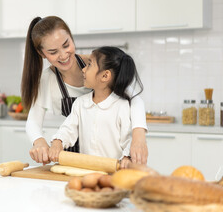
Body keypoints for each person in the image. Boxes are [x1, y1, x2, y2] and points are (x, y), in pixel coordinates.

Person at [21, 16, 148, 165]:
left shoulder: (96, 64)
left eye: (66, 45)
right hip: (74, 159)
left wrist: (138, 137)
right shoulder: (48, 80)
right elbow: (34, 122)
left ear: (71, 38)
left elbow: (134, 98)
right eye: (53, 52)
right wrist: (40, 142)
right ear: (42, 54)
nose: (63, 55)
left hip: (112, 161)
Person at [49, 46, 142, 168]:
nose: (83, 69)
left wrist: (126, 157)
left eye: (89, 65)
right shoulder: (80, 103)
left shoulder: (121, 106)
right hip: (86, 171)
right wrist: (58, 141)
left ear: (105, 76)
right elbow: (68, 129)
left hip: (112, 174)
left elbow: (129, 139)